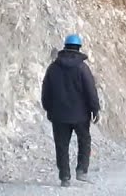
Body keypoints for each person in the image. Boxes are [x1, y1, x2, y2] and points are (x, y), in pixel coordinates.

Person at [40, 34, 100, 187]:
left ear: (65, 46)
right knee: (84, 141)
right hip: (81, 115)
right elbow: (90, 91)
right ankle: (81, 171)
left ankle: (64, 177)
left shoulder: (53, 68)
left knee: (61, 145)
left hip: (59, 115)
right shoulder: (82, 68)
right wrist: (95, 109)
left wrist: (48, 109)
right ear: (79, 48)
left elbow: (46, 90)